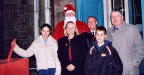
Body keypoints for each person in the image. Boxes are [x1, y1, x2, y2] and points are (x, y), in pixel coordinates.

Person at [107, 11, 144, 75]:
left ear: (122, 18)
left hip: (128, 70)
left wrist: (134, 63)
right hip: (113, 69)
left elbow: (140, 49)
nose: (115, 19)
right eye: (112, 17)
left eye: (117, 16)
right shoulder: (108, 32)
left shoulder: (132, 29)